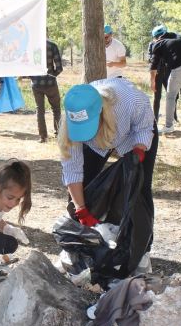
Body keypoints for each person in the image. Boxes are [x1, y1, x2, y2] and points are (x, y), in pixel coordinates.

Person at [58, 78, 158, 261]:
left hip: (133, 133)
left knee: (139, 186)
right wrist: (81, 209)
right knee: (84, 187)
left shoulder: (131, 101)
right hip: (99, 142)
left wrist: (139, 150)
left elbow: (144, 127)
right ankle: (81, 243)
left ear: (101, 113)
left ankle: (141, 247)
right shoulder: (70, 121)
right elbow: (72, 170)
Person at [149, 25, 181, 134]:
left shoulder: (158, 43)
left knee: (170, 97)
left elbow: (153, 66)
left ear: (156, 37)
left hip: (178, 69)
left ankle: (169, 126)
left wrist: (152, 81)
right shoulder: (178, 37)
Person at [29, 38, 64, 142]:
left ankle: (43, 137)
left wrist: (33, 77)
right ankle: (59, 134)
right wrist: (52, 76)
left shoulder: (31, 46)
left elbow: (26, 66)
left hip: (36, 84)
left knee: (40, 110)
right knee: (56, 109)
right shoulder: (52, 45)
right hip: (51, 84)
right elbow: (59, 68)